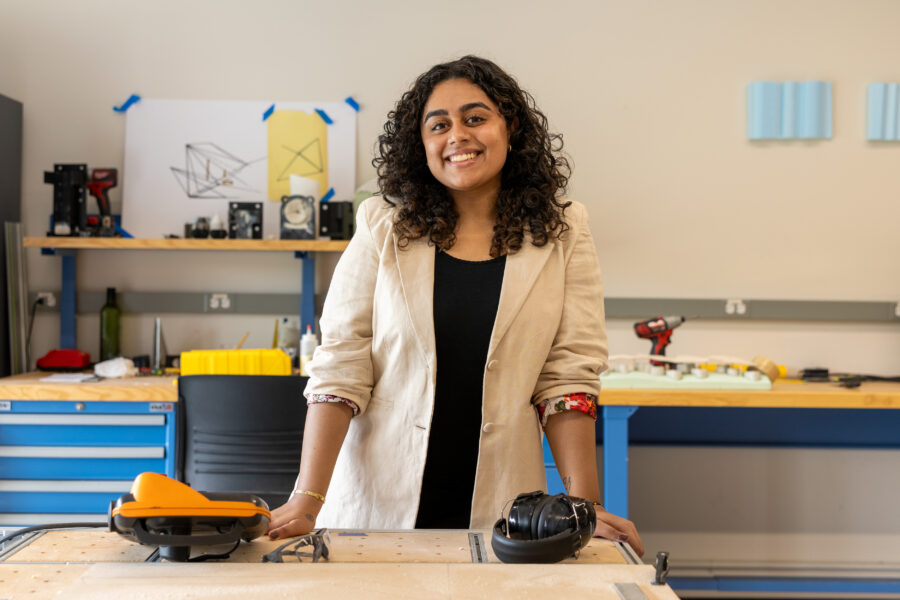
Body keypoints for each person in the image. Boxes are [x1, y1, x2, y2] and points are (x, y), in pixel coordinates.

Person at [267, 55, 643, 556]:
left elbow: (567, 378)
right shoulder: (382, 224)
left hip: (501, 508)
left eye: (475, 118)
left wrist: (583, 508)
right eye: (438, 125)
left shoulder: (563, 230)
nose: (457, 135)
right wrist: (306, 499)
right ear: (421, 145)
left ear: (510, 129)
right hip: (378, 506)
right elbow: (340, 366)